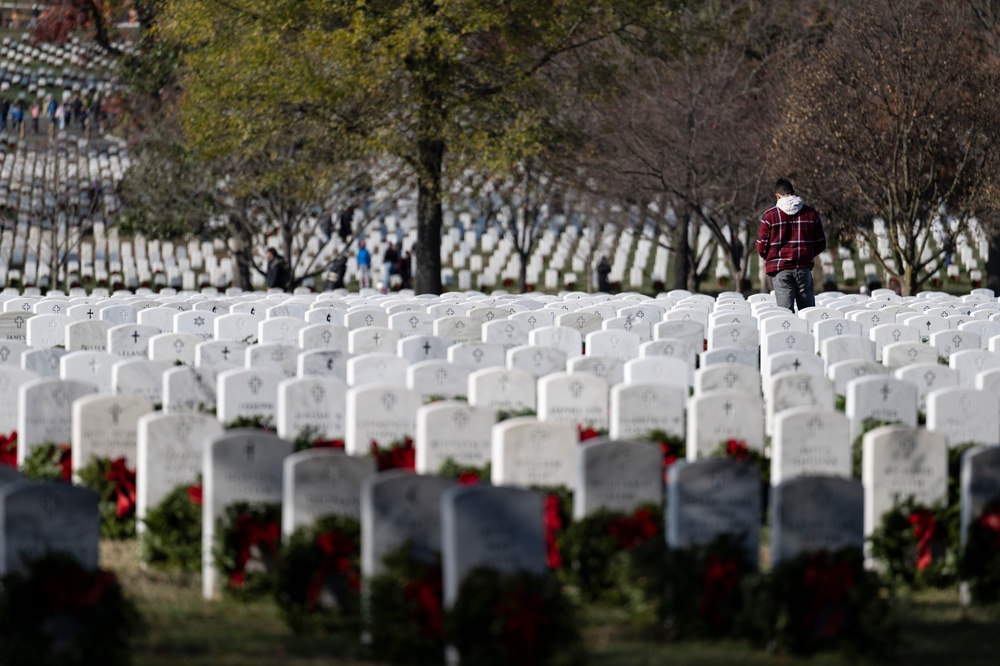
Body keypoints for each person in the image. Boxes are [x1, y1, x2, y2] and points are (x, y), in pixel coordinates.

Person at [755, 177, 826, 312]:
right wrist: (806, 254)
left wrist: (773, 258)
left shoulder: (769, 216)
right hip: (803, 268)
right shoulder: (810, 214)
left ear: (777, 195)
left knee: (785, 313)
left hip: (781, 269)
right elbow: (820, 244)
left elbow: (760, 246)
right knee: (808, 313)